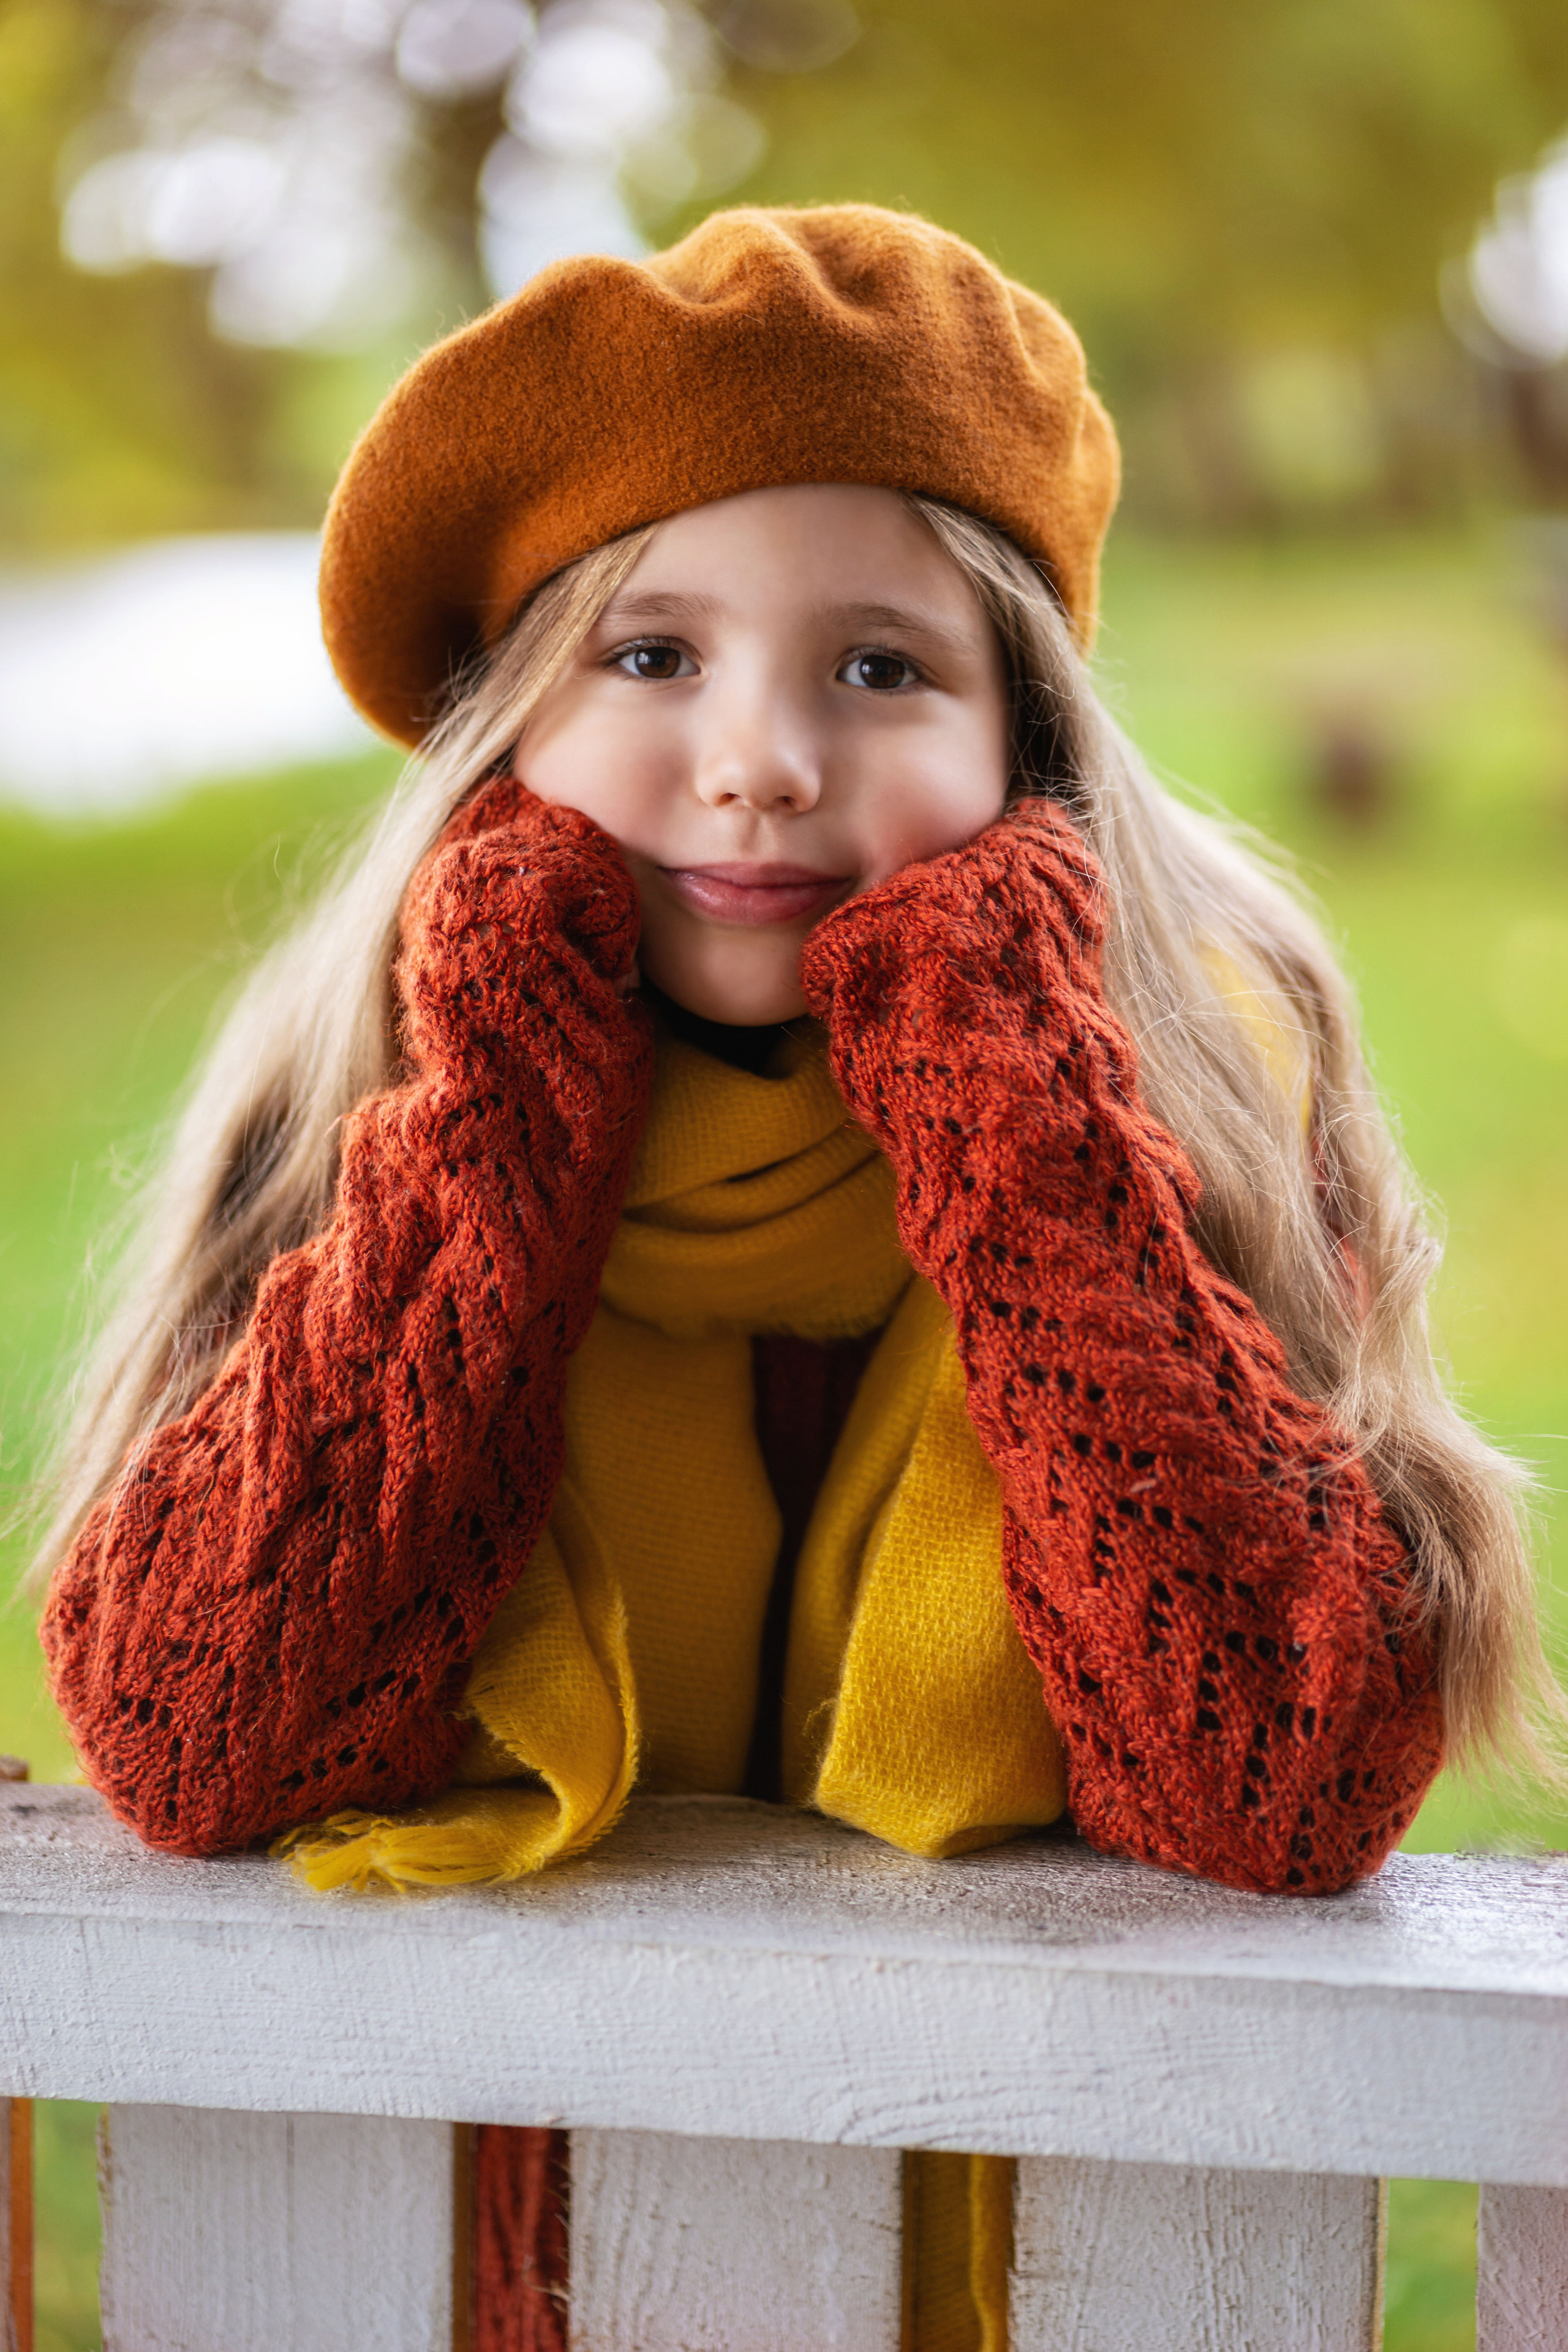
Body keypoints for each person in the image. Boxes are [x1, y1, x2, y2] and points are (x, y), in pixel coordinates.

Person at [33, 203, 1555, 2340]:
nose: (760, 755)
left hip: (1061, 2251)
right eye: (650, 658)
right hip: (483, 2254)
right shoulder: (377, 1104)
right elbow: (200, 1733)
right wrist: (494, 1141)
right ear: (501, 745)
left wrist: (1020, 1122)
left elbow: (1274, 1782)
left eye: (882, 665)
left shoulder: (1176, 1119)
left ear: (1024, 751)